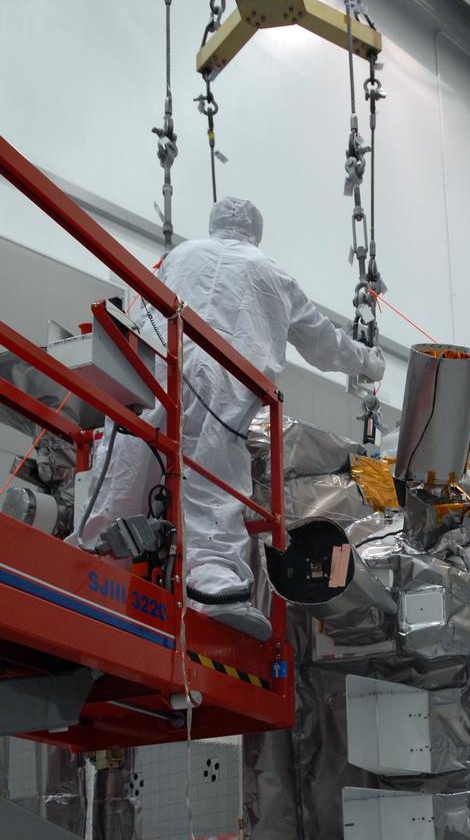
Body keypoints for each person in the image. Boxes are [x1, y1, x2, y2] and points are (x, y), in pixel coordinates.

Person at [72, 197, 384, 639]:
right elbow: (323, 343)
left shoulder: (180, 255)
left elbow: (142, 309)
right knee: (212, 475)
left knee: (131, 458)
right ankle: (213, 583)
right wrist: (370, 363)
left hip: (158, 366)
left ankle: (90, 564)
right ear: (256, 230)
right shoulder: (273, 274)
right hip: (224, 379)